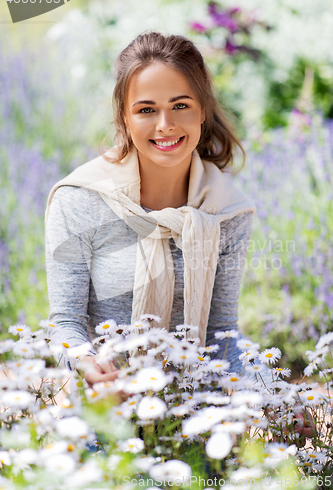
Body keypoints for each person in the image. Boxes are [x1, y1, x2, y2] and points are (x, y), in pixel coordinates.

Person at [45, 31, 257, 388]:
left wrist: (270, 394)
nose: (164, 125)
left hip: (194, 414)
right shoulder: (81, 199)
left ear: (202, 110)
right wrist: (88, 367)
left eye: (180, 105)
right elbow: (65, 324)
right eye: (146, 110)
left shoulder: (226, 210)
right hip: (103, 409)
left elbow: (223, 333)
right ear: (125, 118)